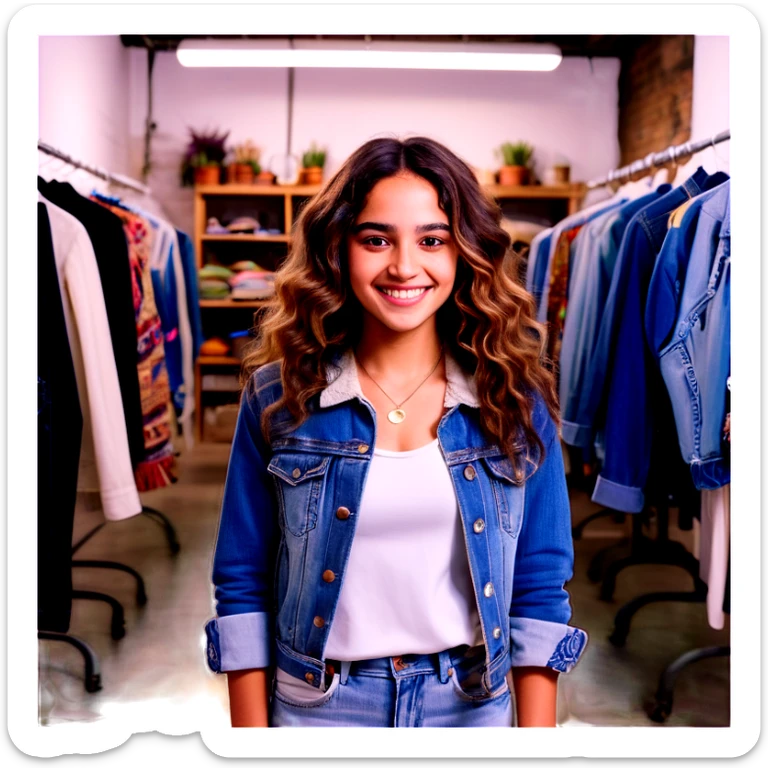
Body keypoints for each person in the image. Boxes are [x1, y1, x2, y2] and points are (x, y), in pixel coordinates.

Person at [204, 136, 588, 728]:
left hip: (470, 708)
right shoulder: (279, 398)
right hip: (318, 710)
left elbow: (539, 587)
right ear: (338, 248)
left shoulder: (515, 400)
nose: (405, 266)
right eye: (376, 239)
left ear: (466, 252)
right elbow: (242, 583)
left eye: (432, 240)